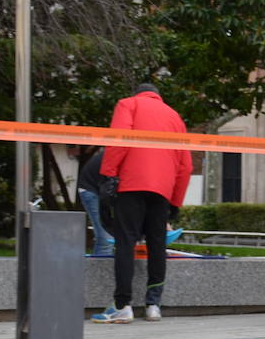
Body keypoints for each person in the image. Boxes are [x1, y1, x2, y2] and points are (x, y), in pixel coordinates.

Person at [90, 84, 192, 323]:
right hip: (163, 190)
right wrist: (175, 201)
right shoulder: (174, 116)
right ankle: (153, 305)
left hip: (132, 184)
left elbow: (120, 141)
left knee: (125, 241)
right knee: (157, 245)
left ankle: (122, 305)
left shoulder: (128, 104)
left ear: (138, 93)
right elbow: (186, 165)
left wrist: (108, 175)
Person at [76, 147, 116, 257]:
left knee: (109, 237)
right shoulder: (123, 155)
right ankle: (100, 272)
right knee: (106, 238)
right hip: (92, 189)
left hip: (101, 188)